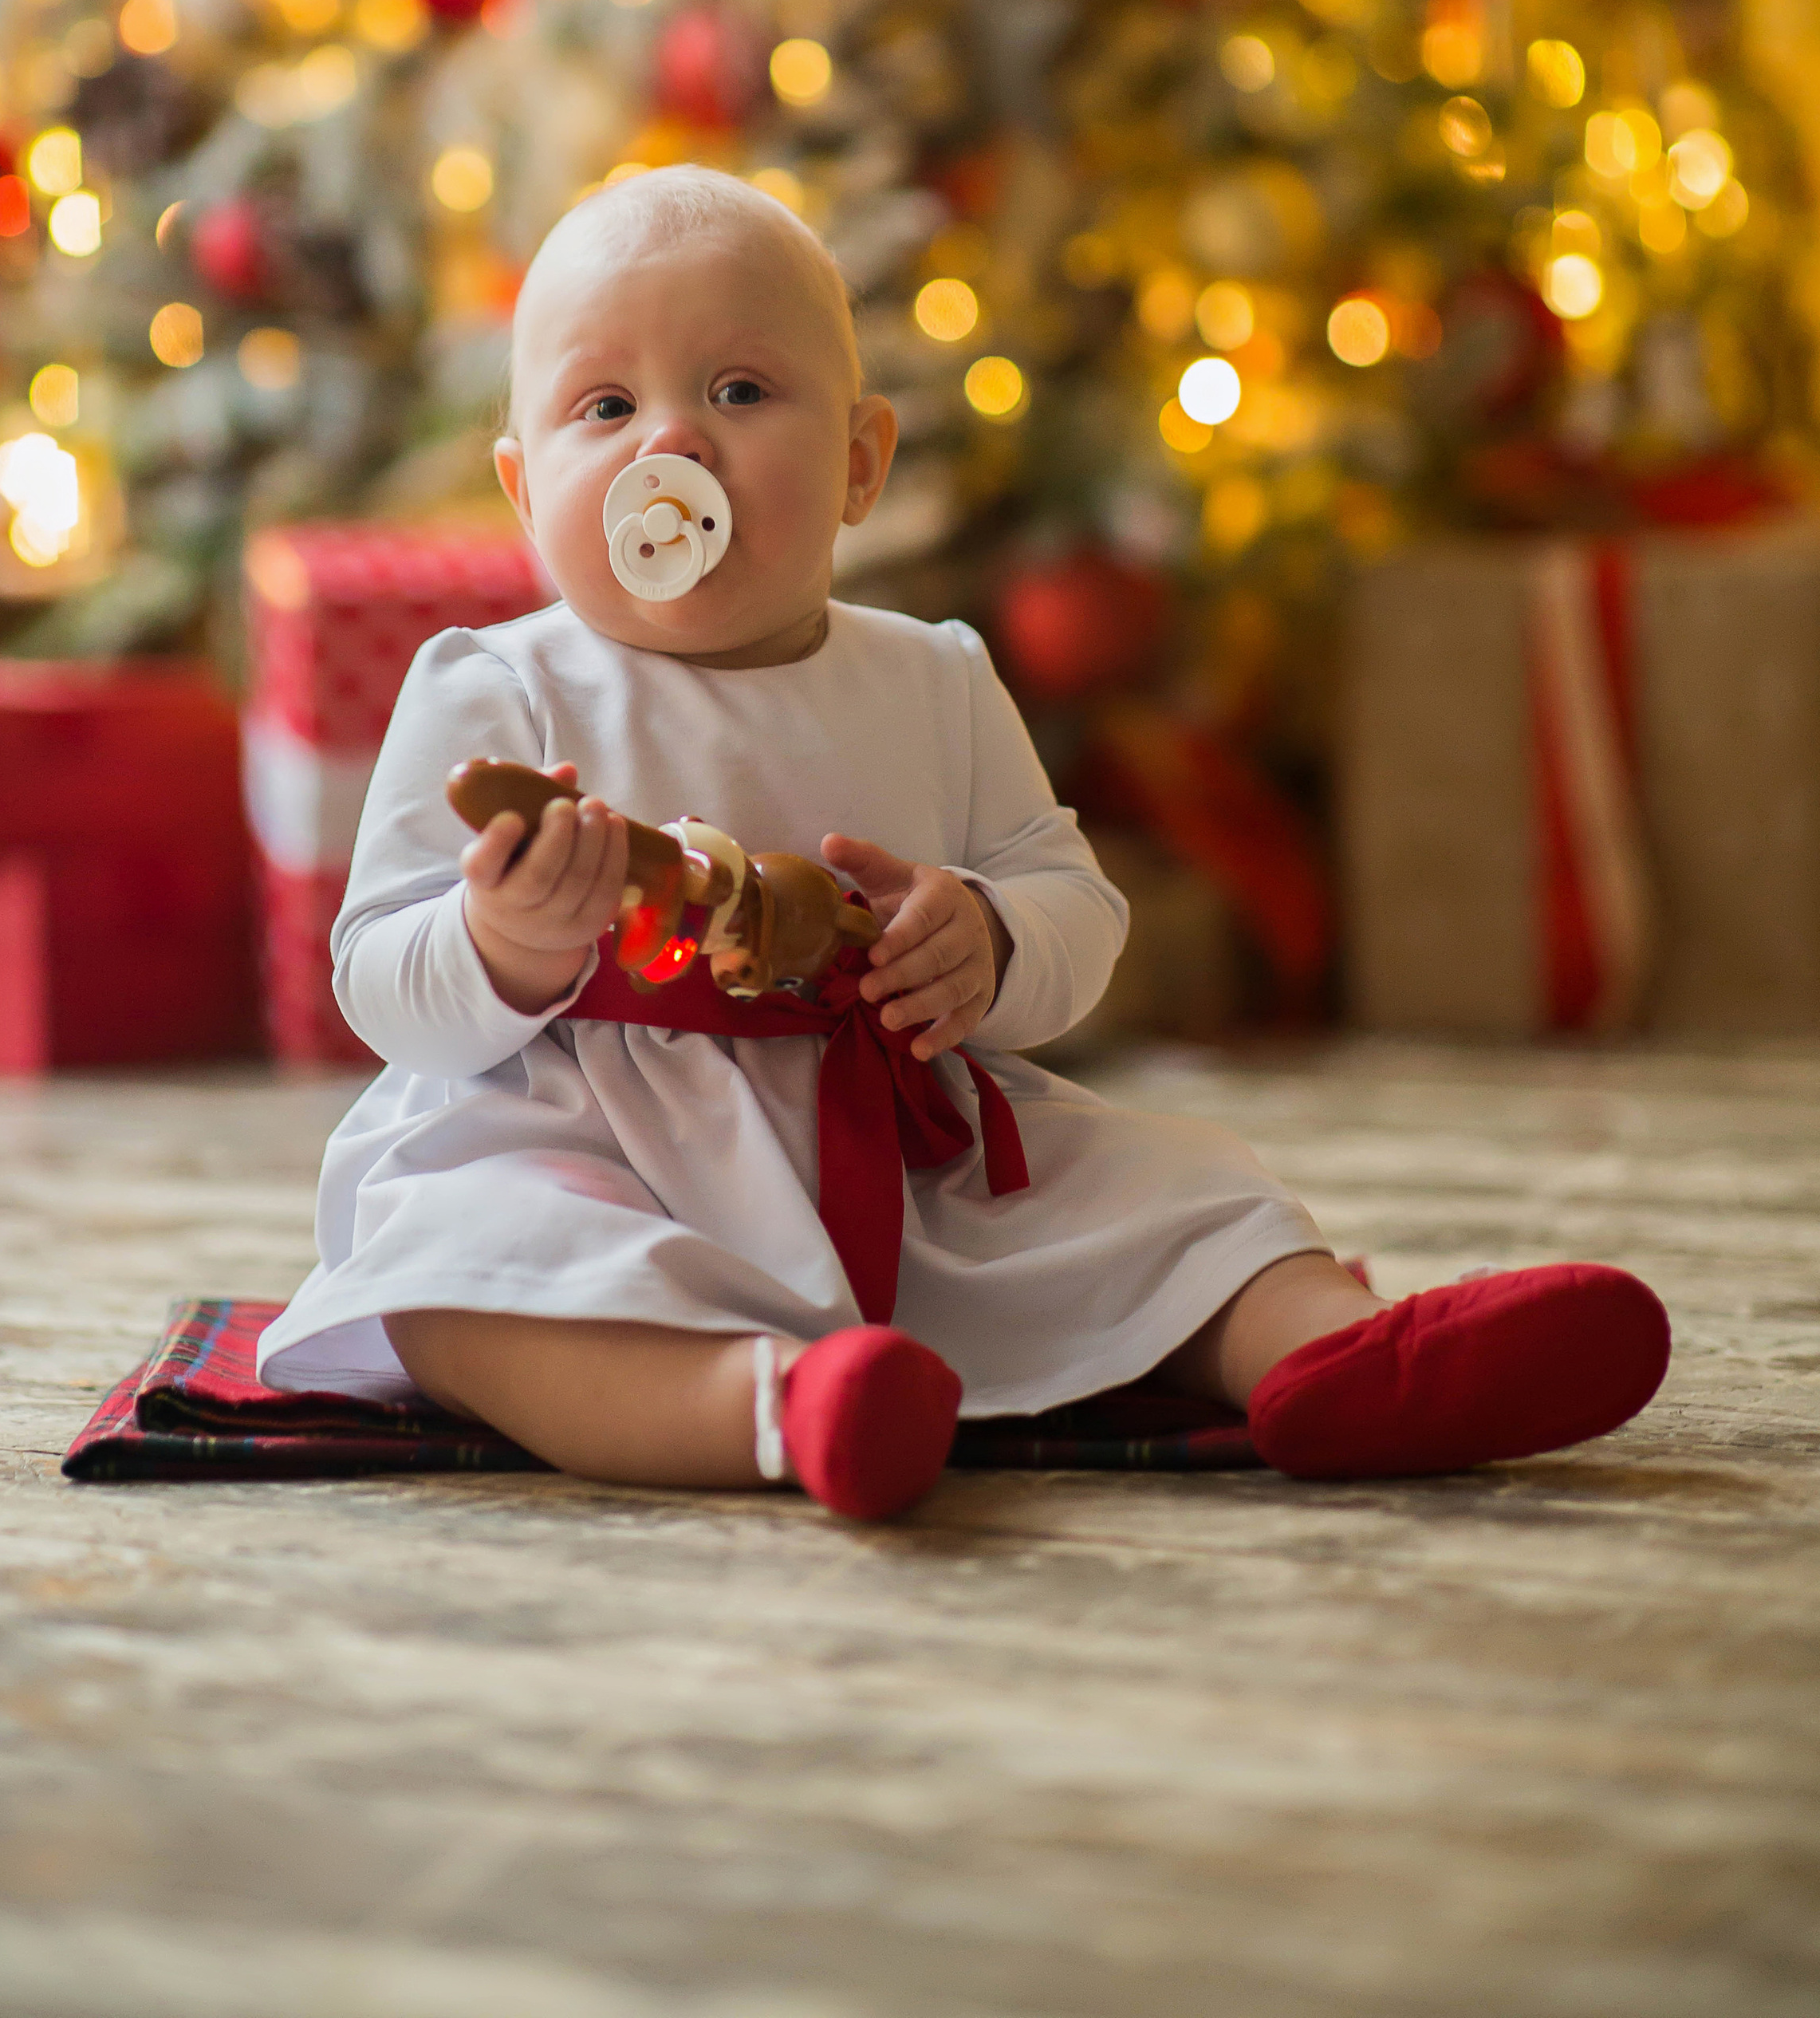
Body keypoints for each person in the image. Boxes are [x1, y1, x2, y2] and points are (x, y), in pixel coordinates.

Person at [258, 168, 1669, 1518]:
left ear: (862, 462)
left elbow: (1076, 907)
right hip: (589, 1143)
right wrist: (501, 944)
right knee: (466, 1274)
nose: (670, 445)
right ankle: (774, 1409)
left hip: (901, 1138)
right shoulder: (497, 686)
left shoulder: (930, 676)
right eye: (606, 405)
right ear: (521, 490)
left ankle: (1331, 1356)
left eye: (739, 391)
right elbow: (380, 980)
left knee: (1181, 1188)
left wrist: (990, 940)